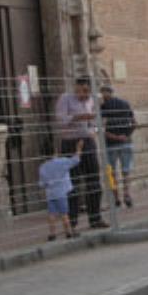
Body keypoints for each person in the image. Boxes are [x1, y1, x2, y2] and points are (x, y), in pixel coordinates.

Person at [54, 77, 107, 229]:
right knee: (72, 183)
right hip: (70, 143)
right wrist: (77, 117)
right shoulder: (65, 99)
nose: (82, 94)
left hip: (87, 141)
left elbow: (96, 121)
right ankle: (71, 222)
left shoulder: (93, 100)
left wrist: (95, 130)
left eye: (86, 91)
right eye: (79, 91)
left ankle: (95, 218)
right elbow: (60, 120)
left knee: (94, 181)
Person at [100, 85, 137, 209]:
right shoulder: (125, 104)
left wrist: (115, 137)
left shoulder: (104, 107)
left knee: (111, 172)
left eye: (102, 93)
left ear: (105, 93)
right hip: (126, 142)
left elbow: (102, 128)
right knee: (126, 171)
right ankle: (127, 194)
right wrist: (126, 136)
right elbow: (134, 123)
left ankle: (116, 198)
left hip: (111, 144)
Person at [38, 140, 83, 241]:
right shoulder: (62, 161)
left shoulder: (42, 167)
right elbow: (75, 160)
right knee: (64, 214)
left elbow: (42, 183)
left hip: (50, 194)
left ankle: (52, 234)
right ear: (55, 151)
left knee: (51, 214)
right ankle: (68, 232)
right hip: (62, 193)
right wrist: (79, 148)